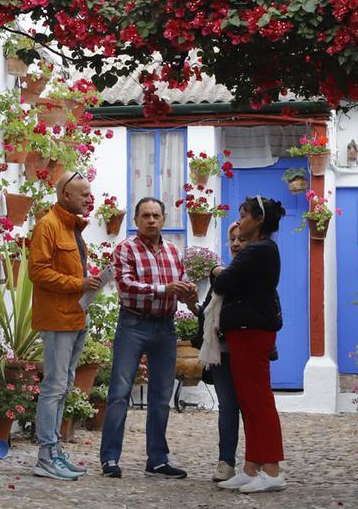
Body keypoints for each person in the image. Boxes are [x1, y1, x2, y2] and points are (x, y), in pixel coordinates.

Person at [99, 197, 196, 479]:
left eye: (156, 215)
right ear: (136, 221)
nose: (151, 220)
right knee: (119, 392)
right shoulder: (125, 249)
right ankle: (110, 459)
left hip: (165, 327)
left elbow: (181, 281)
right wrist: (164, 289)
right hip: (133, 324)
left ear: (164, 219)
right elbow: (126, 286)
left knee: (161, 396)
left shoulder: (174, 252)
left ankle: (157, 459)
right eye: (145, 216)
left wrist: (187, 293)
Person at [210, 195, 287, 494]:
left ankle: (272, 470)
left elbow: (223, 283)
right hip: (243, 332)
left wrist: (217, 271)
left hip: (252, 332)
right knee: (249, 403)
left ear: (258, 221)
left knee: (259, 402)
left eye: (244, 215)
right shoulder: (257, 250)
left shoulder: (260, 250)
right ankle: (251, 467)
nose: (239, 220)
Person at [28, 171, 101, 481]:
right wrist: (79, 283)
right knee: (54, 387)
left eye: (89, 193)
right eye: (83, 194)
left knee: (64, 386)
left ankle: (55, 452)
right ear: (66, 196)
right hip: (58, 319)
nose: (89, 199)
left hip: (75, 317)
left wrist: (88, 282)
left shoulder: (72, 228)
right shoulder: (48, 226)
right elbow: (38, 272)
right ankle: (45, 456)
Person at [185, 223, 245, 482]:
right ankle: (226, 462)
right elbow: (210, 315)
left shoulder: (249, 273)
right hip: (221, 351)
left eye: (241, 239)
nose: (235, 243)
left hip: (246, 349)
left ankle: (257, 463)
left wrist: (216, 273)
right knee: (228, 407)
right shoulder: (223, 273)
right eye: (232, 239)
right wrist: (193, 307)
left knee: (251, 407)